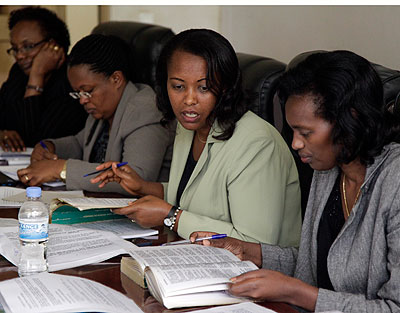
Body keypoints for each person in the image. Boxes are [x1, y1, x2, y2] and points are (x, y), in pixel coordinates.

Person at [190, 50, 400, 312]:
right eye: (293, 130)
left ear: (351, 119)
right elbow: (313, 267)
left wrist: (294, 292)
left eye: (306, 132)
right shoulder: (329, 167)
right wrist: (246, 250)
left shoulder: (394, 181)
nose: (295, 143)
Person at [91, 29, 302, 246]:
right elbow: (193, 196)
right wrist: (143, 187)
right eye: (178, 86)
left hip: (255, 273)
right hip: (198, 256)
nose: (189, 99)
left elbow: (254, 245)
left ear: (226, 87)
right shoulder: (190, 125)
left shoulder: (258, 143)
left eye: (204, 87)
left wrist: (171, 217)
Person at [17, 34, 174, 193]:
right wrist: (48, 146)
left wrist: (61, 169)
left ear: (116, 79)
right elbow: (79, 144)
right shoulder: (105, 109)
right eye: (78, 93)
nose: (82, 100)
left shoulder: (146, 109)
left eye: (88, 91)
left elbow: (137, 179)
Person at [0, 6, 87, 151]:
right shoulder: (18, 73)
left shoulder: (73, 79)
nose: (20, 56)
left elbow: (35, 140)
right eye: (15, 48)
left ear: (53, 45)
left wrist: (36, 77)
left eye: (28, 46)